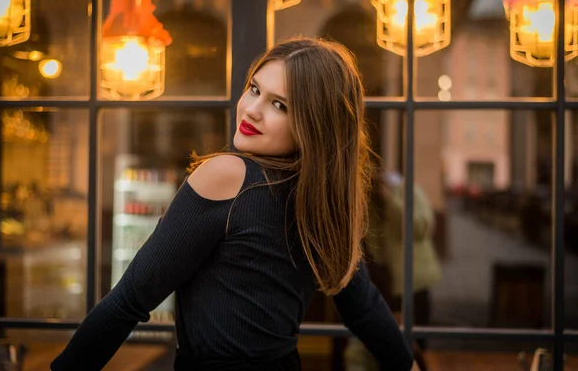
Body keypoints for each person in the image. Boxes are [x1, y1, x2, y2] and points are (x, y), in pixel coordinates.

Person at [50, 38, 416, 370]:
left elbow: (129, 300)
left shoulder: (227, 176)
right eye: (254, 89)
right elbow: (363, 309)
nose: (252, 110)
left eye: (279, 105)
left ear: (314, 125)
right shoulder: (324, 199)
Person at [345, 171, 442, 371]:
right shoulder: (372, 202)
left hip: (415, 281)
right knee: (389, 344)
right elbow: (373, 243)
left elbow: (420, 227)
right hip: (390, 285)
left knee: (416, 344)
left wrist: (391, 202)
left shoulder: (409, 191)